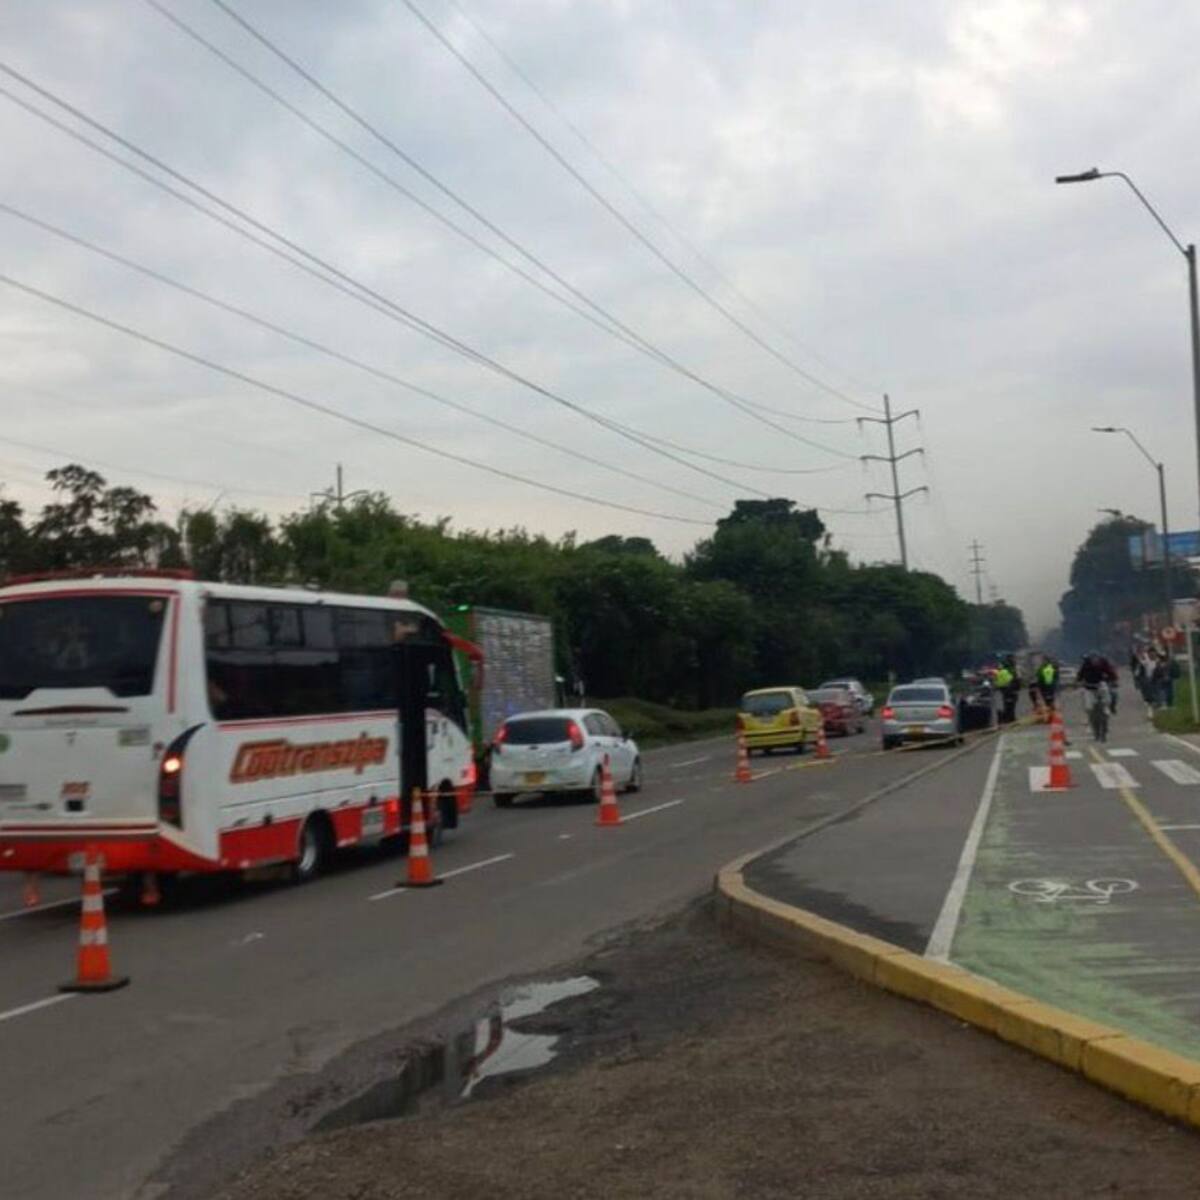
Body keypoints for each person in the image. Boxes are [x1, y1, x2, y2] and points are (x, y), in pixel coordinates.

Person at [994, 654, 1021, 725]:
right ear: (1010, 659)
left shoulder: (1005, 667)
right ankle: (1009, 718)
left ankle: (1008, 717)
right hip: (1010, 688)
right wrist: (1017, 686)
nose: (1015, 660)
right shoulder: (1010, 668)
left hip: (1005, 688)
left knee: (1009, 703)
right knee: (1010, 703)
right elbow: (1015, 678)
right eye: (1013, 658)